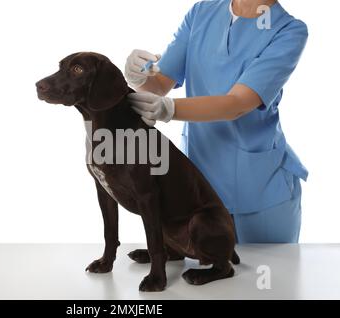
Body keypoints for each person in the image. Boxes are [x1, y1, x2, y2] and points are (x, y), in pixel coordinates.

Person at [124, 0, 308, 243]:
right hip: (201, 187)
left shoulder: (288, 31)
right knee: (210, 275)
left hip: (262, 192)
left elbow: (237, 104)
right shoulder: (201, 13)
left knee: (268, 278)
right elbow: (159, 84)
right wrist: (137, 76)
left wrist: (170, 109)